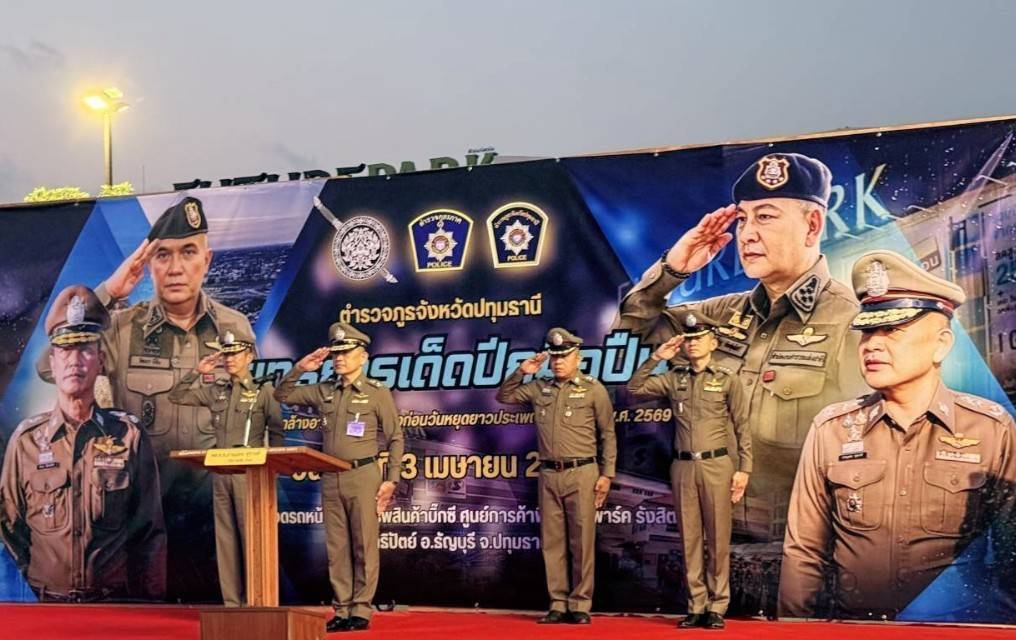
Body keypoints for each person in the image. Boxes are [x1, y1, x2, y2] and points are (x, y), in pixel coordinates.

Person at [614, 153, 868, 542]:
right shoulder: (722, 314)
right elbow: (626, 346)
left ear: (812, 225)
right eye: (743, 219)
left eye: (765, 217)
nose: (747, 234)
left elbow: (865, 457)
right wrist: (672, 271)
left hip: (799, 547)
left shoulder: (852, 321)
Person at [38, 197, 254, 602]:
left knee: (218, 620)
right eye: (162, 255)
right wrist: (107, 293)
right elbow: (48, 367)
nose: (175, 268)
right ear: (148, 265)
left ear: (206, 260)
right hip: (142, 525)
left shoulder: (234, 327)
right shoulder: (123, 328)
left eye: (188, 252)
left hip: (213, 523)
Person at [779, 250, 1016, 619]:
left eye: (892, 330)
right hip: (854, 629)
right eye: (867, 331)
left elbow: (1010, 557)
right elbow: (803, 554)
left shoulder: (990, 429)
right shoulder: (832, 430)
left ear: (941, 344)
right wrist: (794, 629)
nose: (872, 344)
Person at [1, 285, 166, 602]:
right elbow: (9, 531)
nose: (74, 360)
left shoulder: (128, 436)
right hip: (45, 607)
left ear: (100, 361)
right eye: (65, 350)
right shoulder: (26, 443)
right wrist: (29, 596)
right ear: (53, 362)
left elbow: (149, 534)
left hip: (112, 607)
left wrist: (148, 608)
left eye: (85, 349)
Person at [273, 322, 403, 633]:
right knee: (337, 547)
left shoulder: (376, 392)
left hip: (363, 475)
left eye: (346, 352)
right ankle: (342, 609)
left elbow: (396, 437)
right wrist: (301, 368)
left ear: (363, 356)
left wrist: (391, 480)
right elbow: (281, 394)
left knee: (363, 545)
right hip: (331, 476)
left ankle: (361, 609)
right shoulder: (325, 390)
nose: (339, 358)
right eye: (336, 353)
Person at [627, 310, 751, 629]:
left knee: (718, 538)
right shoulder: (675, 378)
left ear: (713, 342)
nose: (694, 343)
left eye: (700, 338)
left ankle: (717, 605)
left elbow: (742, 426)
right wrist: (658, 357)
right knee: (689, 538)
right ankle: (696, 605)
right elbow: (635, 388)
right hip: (682, 466)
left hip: (717, 464)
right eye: (690, 339)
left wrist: (744, 469)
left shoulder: (726, 378)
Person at [496, 328, 617, 625]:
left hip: (583, 472)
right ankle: (558, 603)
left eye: (565, 356)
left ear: (578, 357)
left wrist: (607, 474)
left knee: (582, 542)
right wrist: (522, 372)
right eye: (555, 357)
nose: (559, 362)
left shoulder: (593, 389)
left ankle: (580, 603)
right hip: (549, 473)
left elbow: (608, 434)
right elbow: (504, 396)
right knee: (552, 542)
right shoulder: (540, 387)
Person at [168, 328, 284, 606]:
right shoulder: (216, 391)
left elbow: (277, 433)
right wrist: (197, 372)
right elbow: (176, 396)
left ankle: (257, 602)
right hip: (221, 474)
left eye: (236, 354)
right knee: (226, 539)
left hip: (250, 475)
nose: (230, 359)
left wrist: (273, 470)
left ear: (249, 357)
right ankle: (232, 603)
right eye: (226, 354)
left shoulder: (264, 391)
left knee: (252, 539)